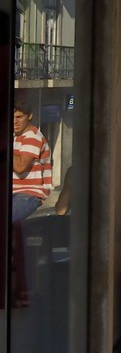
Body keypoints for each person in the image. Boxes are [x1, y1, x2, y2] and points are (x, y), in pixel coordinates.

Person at [11, 100, 52, 309]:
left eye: (19, 117)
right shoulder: (15, 138)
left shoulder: (32, 137)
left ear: (30, 116)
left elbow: (20, 166)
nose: (15, 121)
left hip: (29, 194)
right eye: (12, 117)